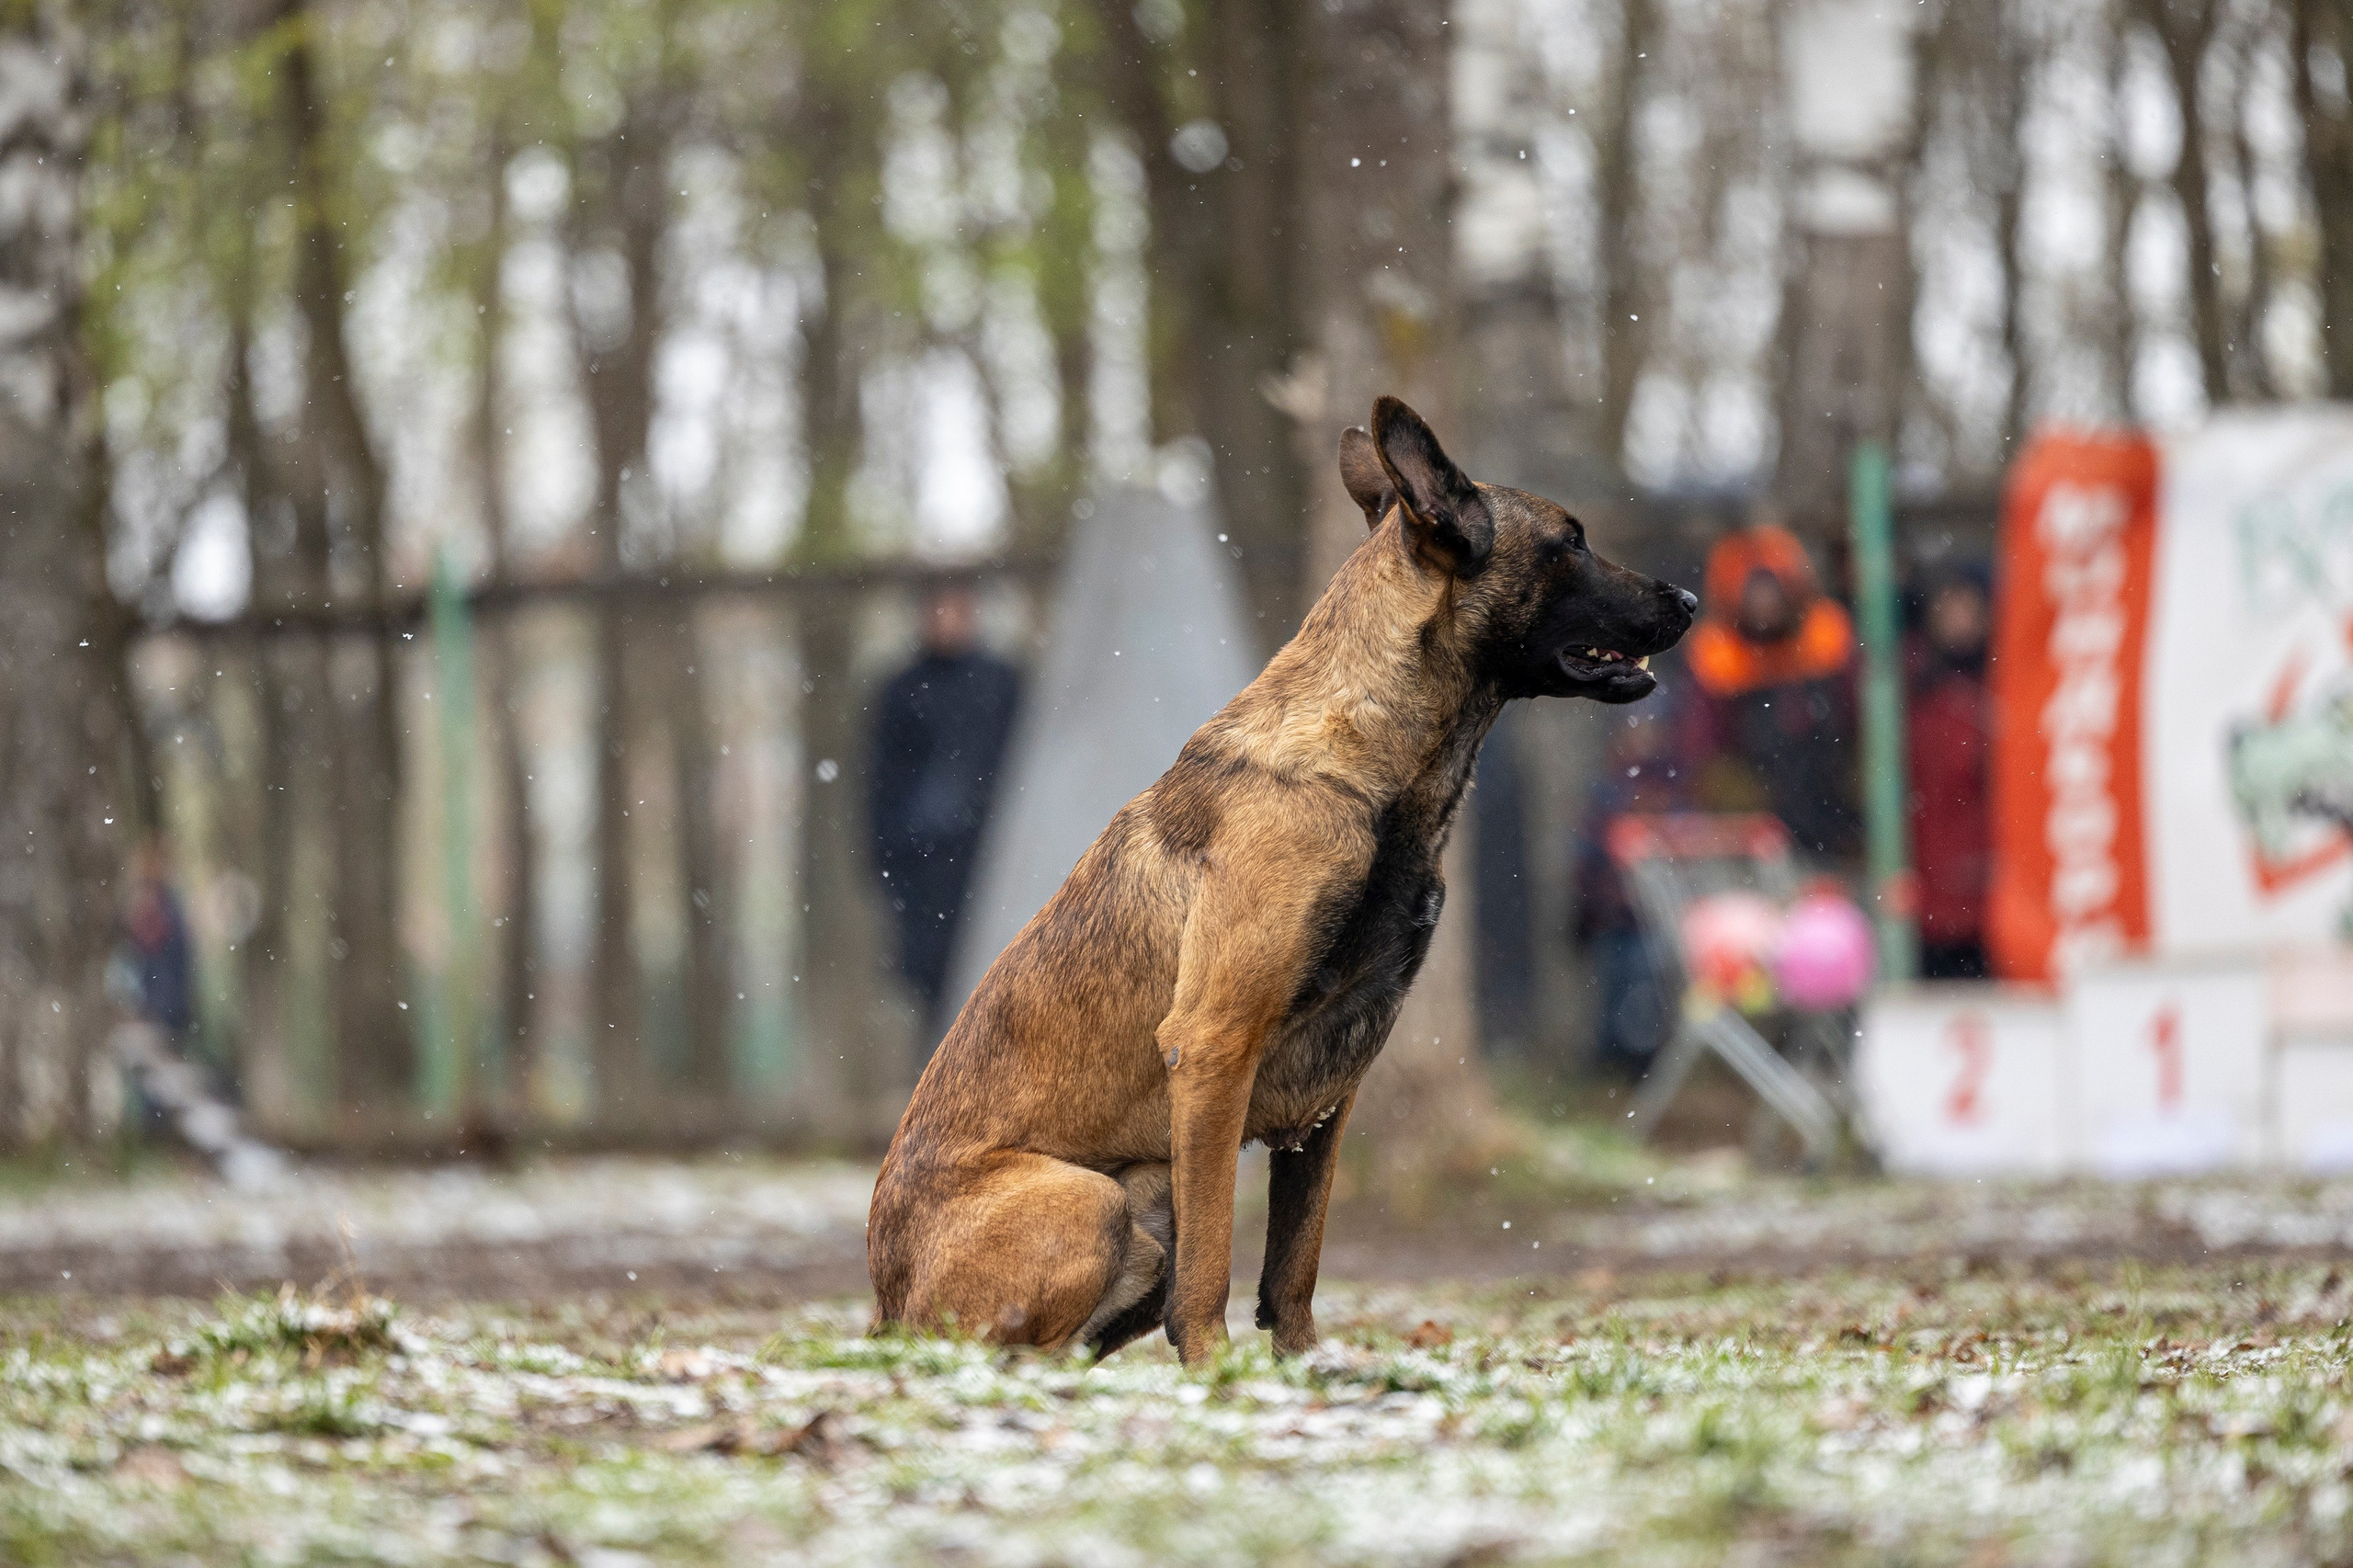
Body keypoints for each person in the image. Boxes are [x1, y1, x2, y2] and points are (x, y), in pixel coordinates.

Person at [867, 584, 1022, 1036]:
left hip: (991, 866)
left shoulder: (1003, 685)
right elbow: (883, 788)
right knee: (941, 1008)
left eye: (957, 608)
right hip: (928, 876)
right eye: (939, 608)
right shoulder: (902, 692)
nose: (948, 620)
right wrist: (895, 864)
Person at [1679, 523, 1860, 861]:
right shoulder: (1718, 658)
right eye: (1754, 592)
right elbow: (1705, 751)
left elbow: (1859, 726)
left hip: (1835, 809)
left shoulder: (1828, 640)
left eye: (1772, 590)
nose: (1765, 603)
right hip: (1761, 826)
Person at [1571, 710, 1689, 1078]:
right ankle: (1612, 1061)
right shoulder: (1608, 791)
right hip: (1615, 917)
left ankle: (1640, 1059)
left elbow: (1685, 840)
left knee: (1645, 983)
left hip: (1654, 919)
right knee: (1616, 984)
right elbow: (1588, 855)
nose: (1642, 740)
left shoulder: (1671, 783)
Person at [1907, 565, 1995, 980]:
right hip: (1932, 889)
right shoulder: (1914, 691)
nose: (1959, 621)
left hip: (1992, 887)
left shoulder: (2002, 689)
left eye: (1968, 609)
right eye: (1949, 609)